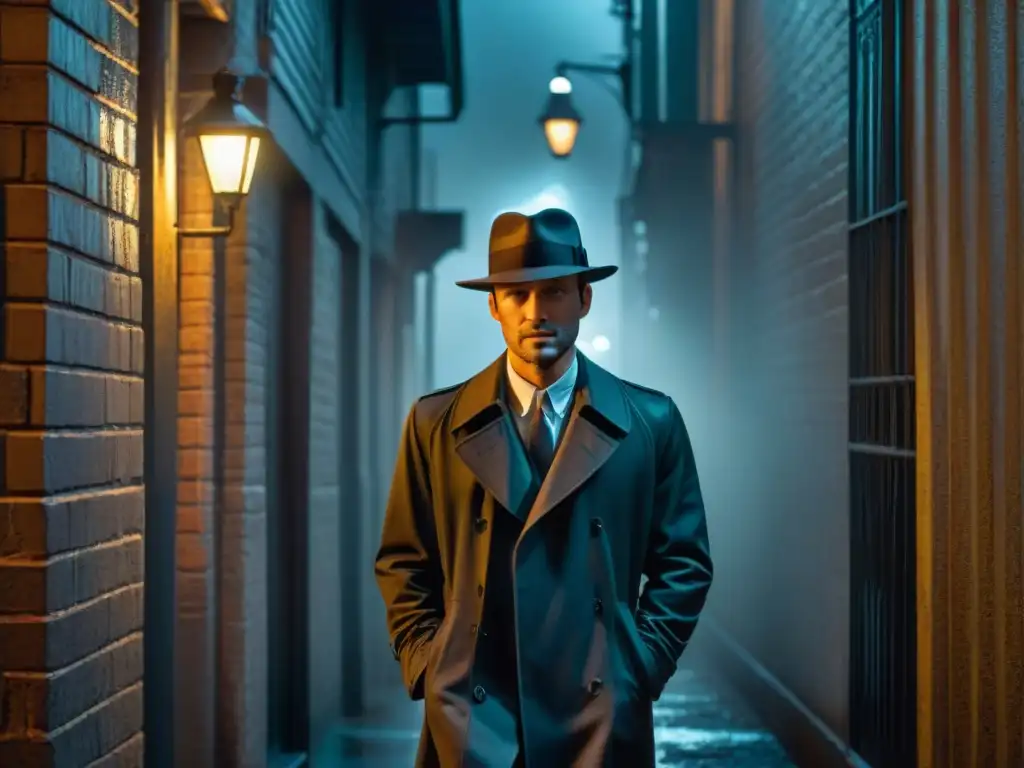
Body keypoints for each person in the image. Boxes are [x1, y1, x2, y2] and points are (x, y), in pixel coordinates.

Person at [375, 208, 713, 767]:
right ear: (493, 306)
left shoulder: (650, 421)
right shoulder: (435, 422)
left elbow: (685, 562)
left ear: (585, 299)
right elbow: (403, 560)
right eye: (516, 295)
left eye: (554, 292)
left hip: (599, 713)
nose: (536, 313)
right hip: (474, 714)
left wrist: (637, 666)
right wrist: (430, 664)